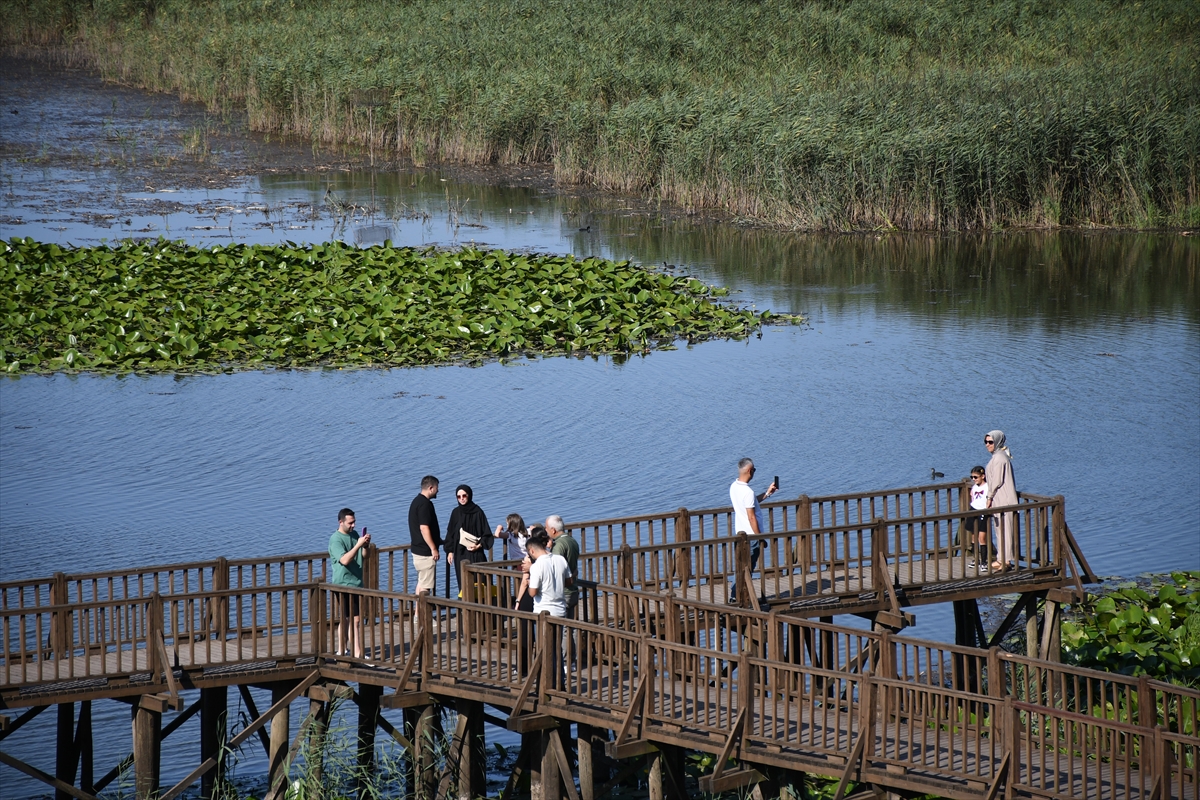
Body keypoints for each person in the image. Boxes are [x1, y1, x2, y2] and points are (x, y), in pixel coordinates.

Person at [328, 507, 371, 660]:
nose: (353, 525)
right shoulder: (336, 539)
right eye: (350, 523)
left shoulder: (354, 535)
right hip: (343, 584)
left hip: (356, 583)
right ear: (341, 522)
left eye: (354, 522)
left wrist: (365, 545)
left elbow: (364, 556)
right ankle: (356, 653)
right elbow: (345, 560)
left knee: (350, 619)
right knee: (353, 619)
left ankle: (342, 650)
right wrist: (358, 545)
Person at [729, 457, 778, 572]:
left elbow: (750, 503)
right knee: (747, 569)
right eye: (754, 470)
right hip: (751, 537)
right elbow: (751, 517)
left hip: (740, 535)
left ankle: (736, 590)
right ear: (750, 471)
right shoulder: (748, 492)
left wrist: (767, 493)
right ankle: (736, 591)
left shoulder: (734, 487)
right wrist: (760, 537)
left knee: (741, 569)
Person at [445, 484, 493, 600]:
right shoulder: (455, 513)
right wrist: (450, 551)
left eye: (464, 495)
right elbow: (450, 533)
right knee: (463, 583)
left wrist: (479, 545)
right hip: (460, 554)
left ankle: (482, 611)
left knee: (480, 583)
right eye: (458, 496)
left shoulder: (478, 512)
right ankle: (465, 612)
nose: (462, 498)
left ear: (469, 495)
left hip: (476, 554)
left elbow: (487, 534)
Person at [984, 431, 1018, 573]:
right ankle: (1000, 558)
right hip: (999, 499)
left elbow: (997, 481)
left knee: (1006, 530)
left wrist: (989, 497)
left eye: (990, 442)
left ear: (997, 442)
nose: (987, 445)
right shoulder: (998, 456)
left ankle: (1006, 561)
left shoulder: (999, 458)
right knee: (999, 529)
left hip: (1004, 499)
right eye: (986, 442)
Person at [408, 476, 442, 609]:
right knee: (426, 587)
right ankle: (423, 617)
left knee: (421, 583)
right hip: (425, 552)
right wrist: (433, 548)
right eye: (437, 488)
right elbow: (424, 527)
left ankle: (417, 614)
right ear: (431, 488)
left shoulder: (415, 501)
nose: (438, 491)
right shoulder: (425, 504)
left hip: (417, 550)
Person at [526, 534, 573, 618]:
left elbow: (533, 593)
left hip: (543, 611)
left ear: (532, 551)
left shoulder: (536, 566)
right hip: (560, 610)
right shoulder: (561, 559)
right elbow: (569, 582)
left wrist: (530, 584)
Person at [546, 515, 580, 618]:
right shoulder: (572, 540)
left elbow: (555, 567)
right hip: (573, 589)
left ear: (553, 530)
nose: (545, 531)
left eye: (546, 528)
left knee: (563, 627)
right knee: (570, 626)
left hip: (563, 592)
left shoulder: (559, 545)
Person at [962, 466, 991, 569]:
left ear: (983, 476)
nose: (973, 479)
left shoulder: (987, 487)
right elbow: (972, 497)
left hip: (983, 511)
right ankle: (976, 559)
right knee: (974, 536)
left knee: (982, 538)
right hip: (973, 510)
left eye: (976, 477)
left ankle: (984, 562)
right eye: (972, 477)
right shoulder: (974, 487)